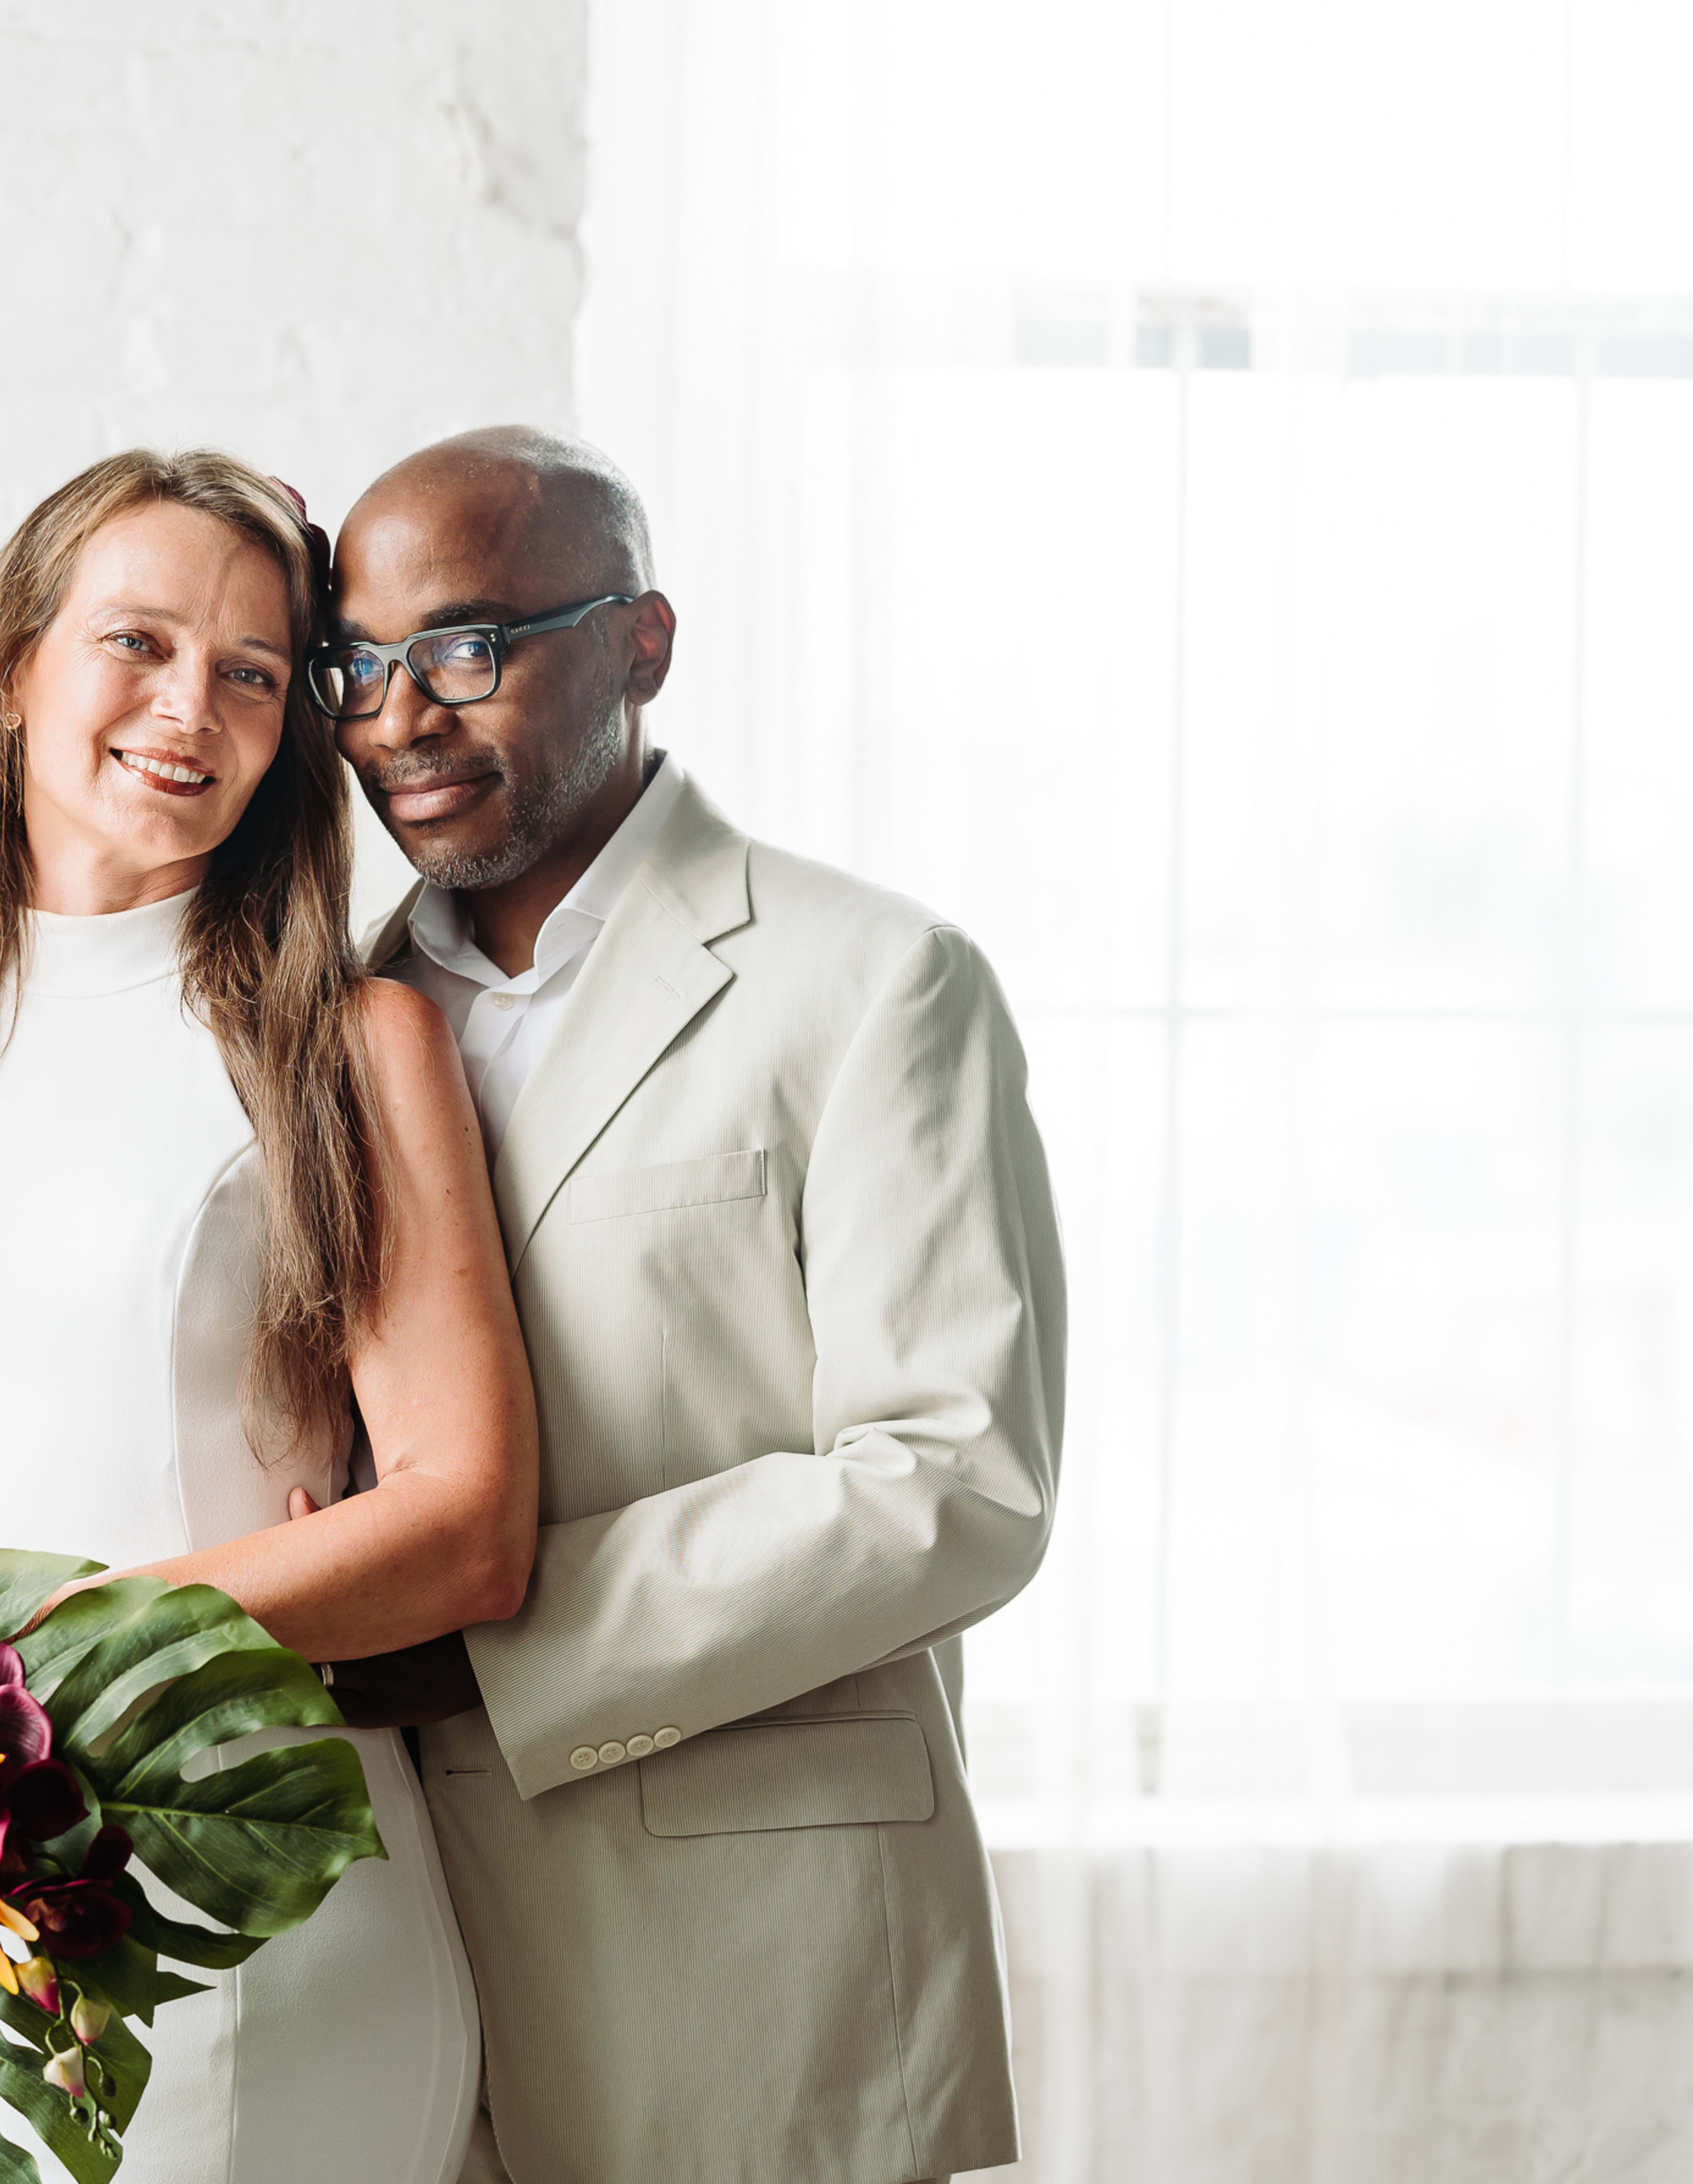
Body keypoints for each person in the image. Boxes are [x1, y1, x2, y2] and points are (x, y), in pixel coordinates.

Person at [0, 449, 538, 2184]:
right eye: (135, 641)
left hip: (251, 1882)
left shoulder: (349, 1054)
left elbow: (468, 1531)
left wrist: (60, 1641)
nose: (189, 707)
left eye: (248, 669)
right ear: (16, 669)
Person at [309, 427, 1066, 2184]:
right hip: (389, 1969)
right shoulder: (317, 1030)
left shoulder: (877, 982)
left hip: (758, 1960)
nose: (401, 717)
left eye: (467, 647)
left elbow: (955, 1481)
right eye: (357, 667)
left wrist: (486, 1645)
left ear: (641, 644)